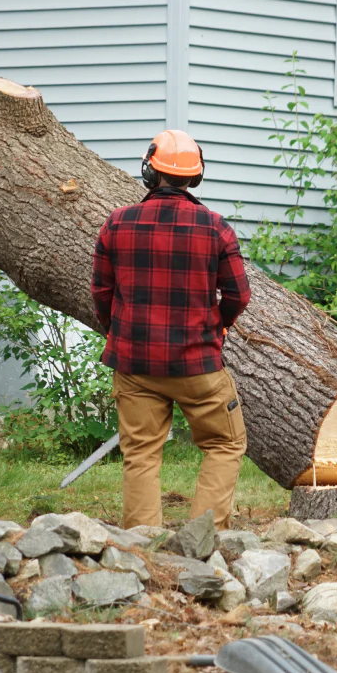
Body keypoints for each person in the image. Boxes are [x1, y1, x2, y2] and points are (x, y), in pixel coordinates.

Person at [91, 130, 251, 531]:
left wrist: (121, 333)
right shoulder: (216, 228)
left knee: (141, 453)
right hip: (197, 364)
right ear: (195, 177)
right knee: (225, 443)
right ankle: (204, 539)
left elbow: (101, 292)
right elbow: (238, 295)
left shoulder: (117, 223)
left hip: (134, 365)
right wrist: (219, 325)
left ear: (149, 170)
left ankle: (141, 550)